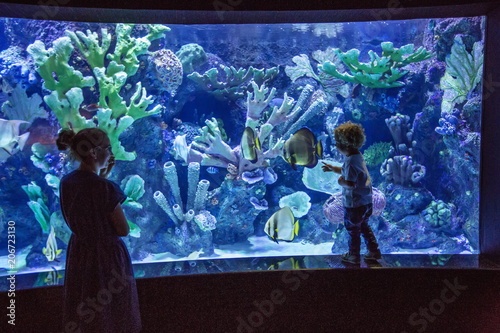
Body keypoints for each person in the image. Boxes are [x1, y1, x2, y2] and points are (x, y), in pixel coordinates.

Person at [56, 128, 141, 332]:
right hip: (106, 257)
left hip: (79, 253)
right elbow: (122, 230)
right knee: (113, 311)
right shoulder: (106, 188)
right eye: (108, 148)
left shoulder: (66, 183)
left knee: (84, 304)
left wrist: (101, 176)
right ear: (94, 152)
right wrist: (104, 180)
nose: (111, 154)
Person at [322, 121, 382, 265]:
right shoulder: (357, 156)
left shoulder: (349, 161)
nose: (336, 146)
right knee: (364, 227)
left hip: (354, 204)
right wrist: (333, 168)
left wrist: (340, 181)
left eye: (337, 143)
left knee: (352, 230)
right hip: (366, 202)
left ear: (346, 145)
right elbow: (349, 171)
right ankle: (374, 251)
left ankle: (353, 256)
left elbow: (350, 183)